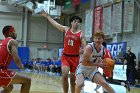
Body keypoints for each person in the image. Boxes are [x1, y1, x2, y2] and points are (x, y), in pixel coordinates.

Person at [41, 10, 86, 93]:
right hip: (66, 56)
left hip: (75, 58)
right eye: (75, 21)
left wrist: (84, 51)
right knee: (64, 74)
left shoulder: (81, 34)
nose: (77, 23)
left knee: (73, 81)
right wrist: (48, 16)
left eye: (78, 22)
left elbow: (85, 46)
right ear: (71, 22)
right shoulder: (66, 29)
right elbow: (56, 24)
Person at [0, 25, 31, 93]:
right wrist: (21, 66)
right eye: (15, 31)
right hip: (1, 71)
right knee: (27, 80)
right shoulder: (12, 41)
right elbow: (16, 58)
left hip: (2, 70)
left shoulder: (1, 42)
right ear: (10, 32)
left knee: (9, 87)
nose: (16, 33)